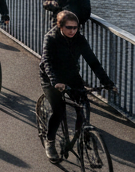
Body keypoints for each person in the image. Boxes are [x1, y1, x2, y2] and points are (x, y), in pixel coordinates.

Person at [39, 9, 115, 161]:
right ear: (60, 26)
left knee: (83, 105)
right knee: (59, 111)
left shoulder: (79, 39)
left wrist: (107, 82)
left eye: (75, 27)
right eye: (69, 27)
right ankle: (50, 141)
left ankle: (82, 135)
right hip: (51, 78)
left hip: (71, 75)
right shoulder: (51, 38)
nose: (73, 31)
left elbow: (93, 62)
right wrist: (55, 82)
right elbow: (47, 62)